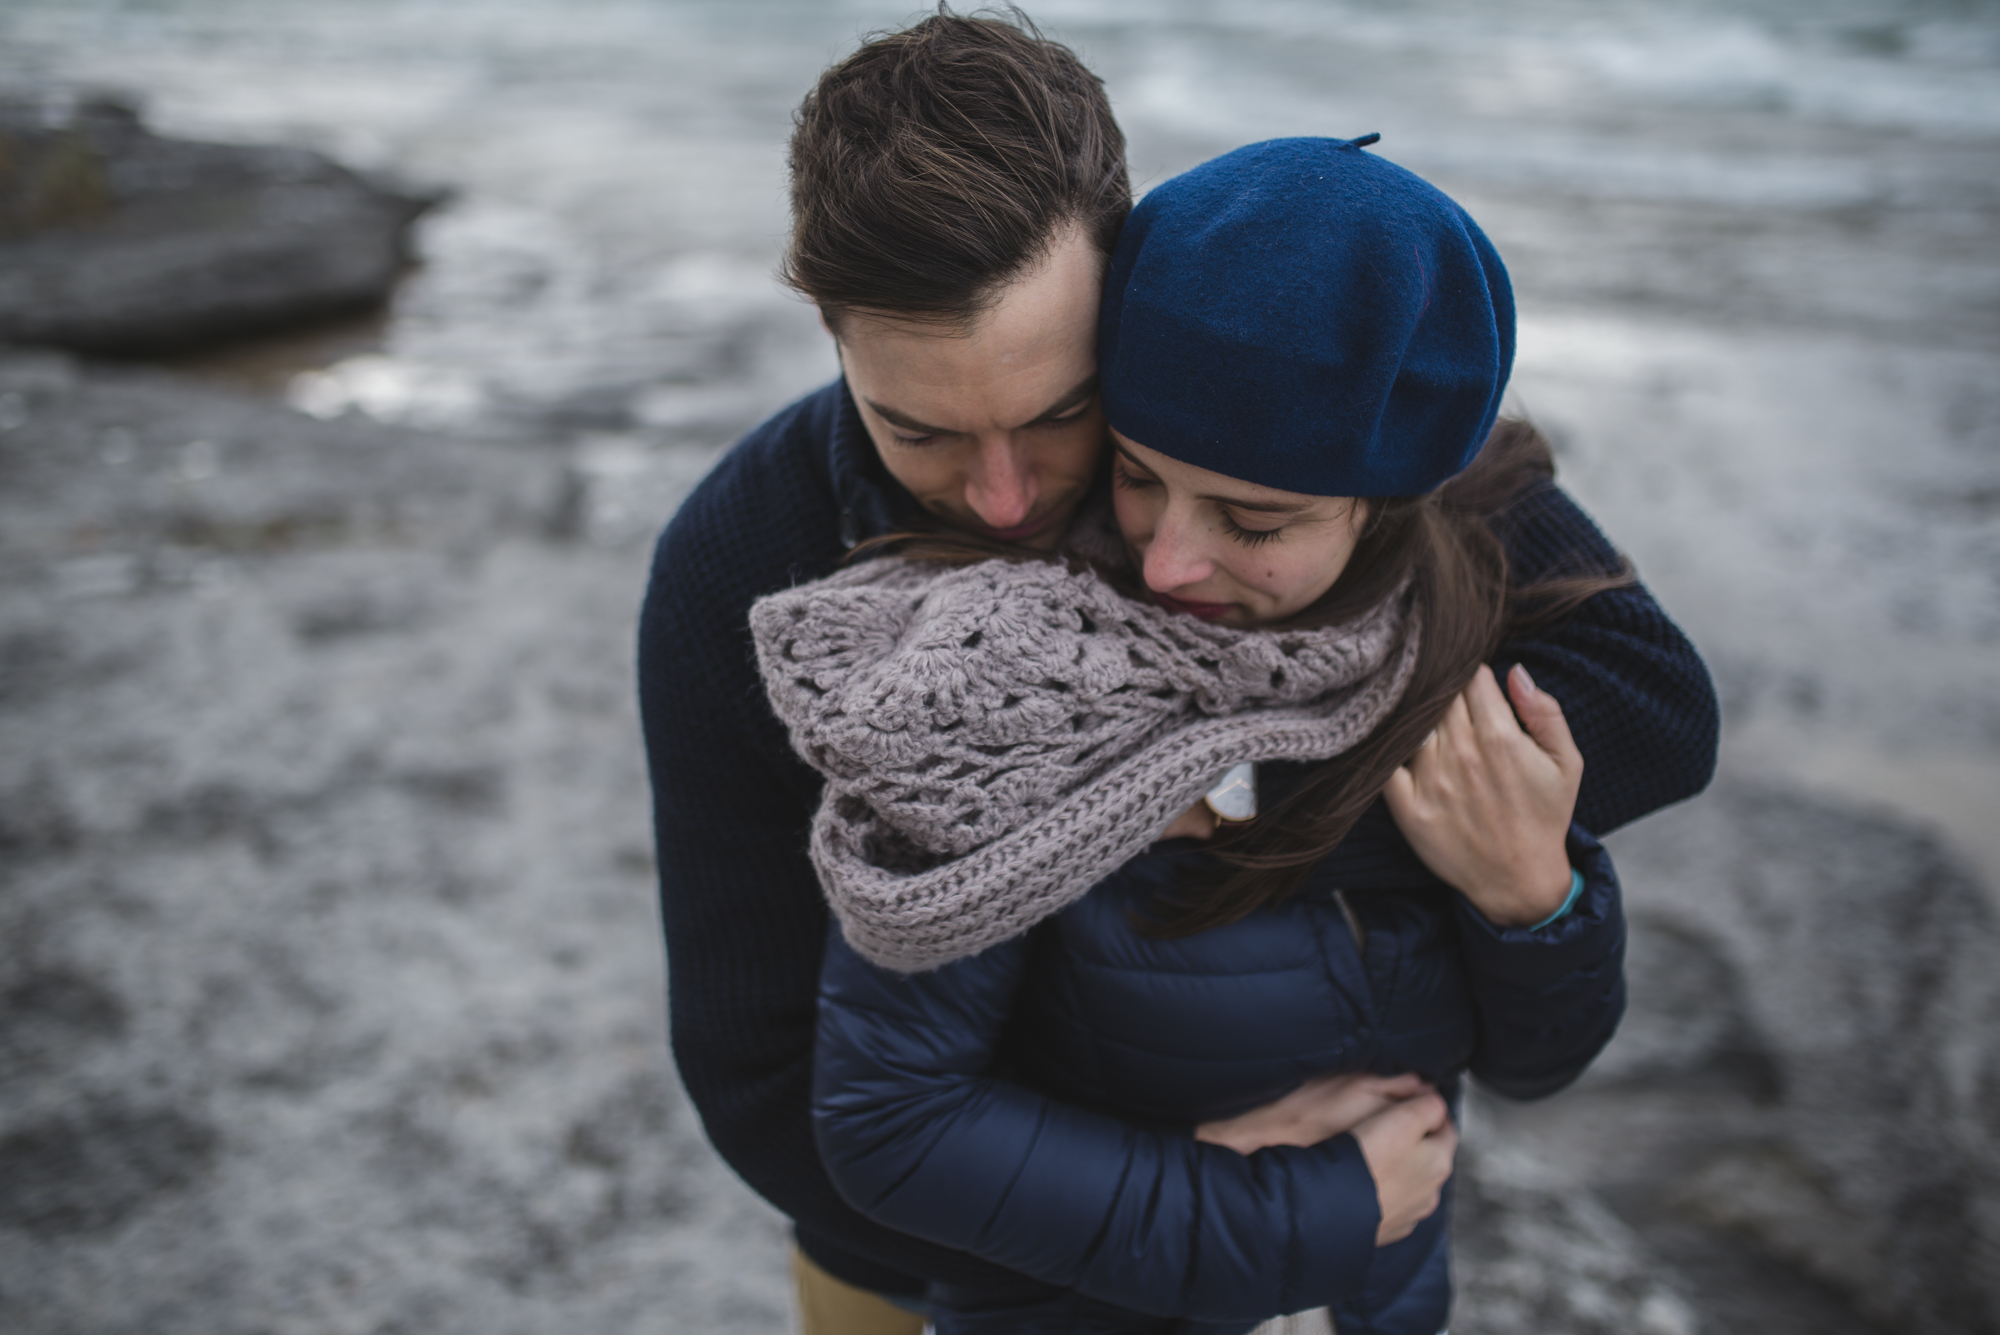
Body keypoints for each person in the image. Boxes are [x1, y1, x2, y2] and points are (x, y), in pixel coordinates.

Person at [636, 13, 1719, 1333]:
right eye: (916, 427)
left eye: (1060, 413)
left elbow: (1648, 703)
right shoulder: (735, 565)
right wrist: (1220, 1217)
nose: (1002, 495)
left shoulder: (1278, 415)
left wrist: (1229, 800)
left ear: (1133, 287)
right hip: (936, 1261)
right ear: (827, 332)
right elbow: (759, 1088)